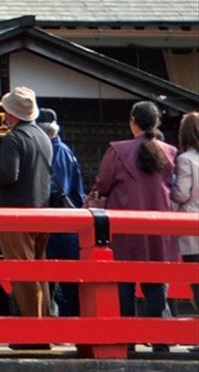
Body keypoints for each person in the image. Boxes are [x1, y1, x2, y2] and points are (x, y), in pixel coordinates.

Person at [90, 100, 178, 341]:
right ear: (156, 123)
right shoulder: (170, 152)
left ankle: (126, 339)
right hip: (159, 225)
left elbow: (103, 185)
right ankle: (159, 340)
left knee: (124, 282)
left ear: (132, 122)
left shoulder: (117, 151)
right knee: (156, 282)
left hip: (124, 225)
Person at [0, 86, 52, 328]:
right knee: (39, 271)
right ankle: (45, 325)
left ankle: (32, 330)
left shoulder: (14, 138)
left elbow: (9, 175)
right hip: (42, 210)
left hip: (16, 212)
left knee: (22, 272)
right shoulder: (43, 136)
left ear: (10, 113)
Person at [36, 107, 85, 317]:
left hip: (59, 227)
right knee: (64, 286)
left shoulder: (55, 152)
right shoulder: (63, 150)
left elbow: (53, 190)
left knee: (63, 287)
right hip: (65, 227)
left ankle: (68, 327)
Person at [171, 111, 199, 316]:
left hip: (192, 225)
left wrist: (167, 194)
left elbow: (181, 194)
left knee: (196, 279)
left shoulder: (185, 160)